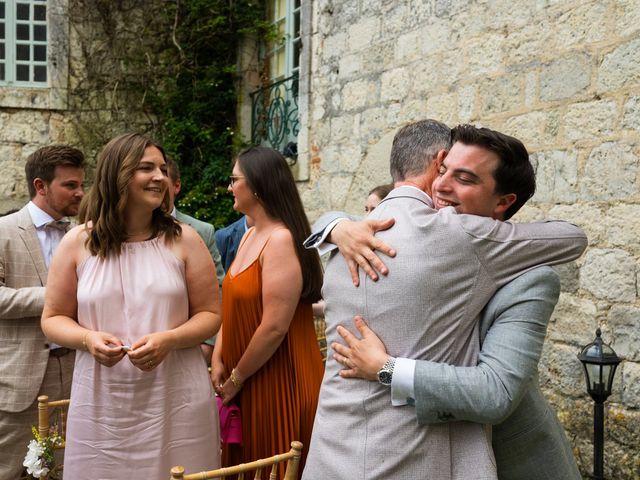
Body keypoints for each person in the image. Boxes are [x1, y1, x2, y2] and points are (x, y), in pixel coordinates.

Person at [301, 122, 587, 480]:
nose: (441, 185)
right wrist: (337, 225)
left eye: (464, 178)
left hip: (508, 458)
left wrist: (387, 368)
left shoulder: (530, 278)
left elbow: (495, 392)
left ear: (503, 201)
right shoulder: (377, 237)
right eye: (443, 169)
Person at [41, 133, 221, 478]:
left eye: (163, 169)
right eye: (146, 168)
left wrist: (169, 339)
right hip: (102, 402)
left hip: (175, 395)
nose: (159, 177)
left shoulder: (185, 239)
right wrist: (87, 339)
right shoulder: (78, 243)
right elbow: (53, 319)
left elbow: (211, 315)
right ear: (117, 174)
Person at [211, 146, 324, 477]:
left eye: (235, 180)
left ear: (258, 185)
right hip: (244, 379)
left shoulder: (280, 240)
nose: (230, 187)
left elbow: (274, 327)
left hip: (279, 380)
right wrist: (218, 357)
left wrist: (236, 377)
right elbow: (230, 305)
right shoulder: (249, 237)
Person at [0, 145, 85, 478]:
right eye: (70, 185)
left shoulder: (83, 235)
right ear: (40, 186)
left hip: (76, 372)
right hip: (19, 381)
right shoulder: (3, 231)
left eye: (81, 184)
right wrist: (53, 297)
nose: (80, 192)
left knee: (64, 469)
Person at [166, 157, 225, 362]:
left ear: (177, 186)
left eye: (163, 180)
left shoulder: (201, 231)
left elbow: (219, 289)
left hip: (190, 347)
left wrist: (208, 344)